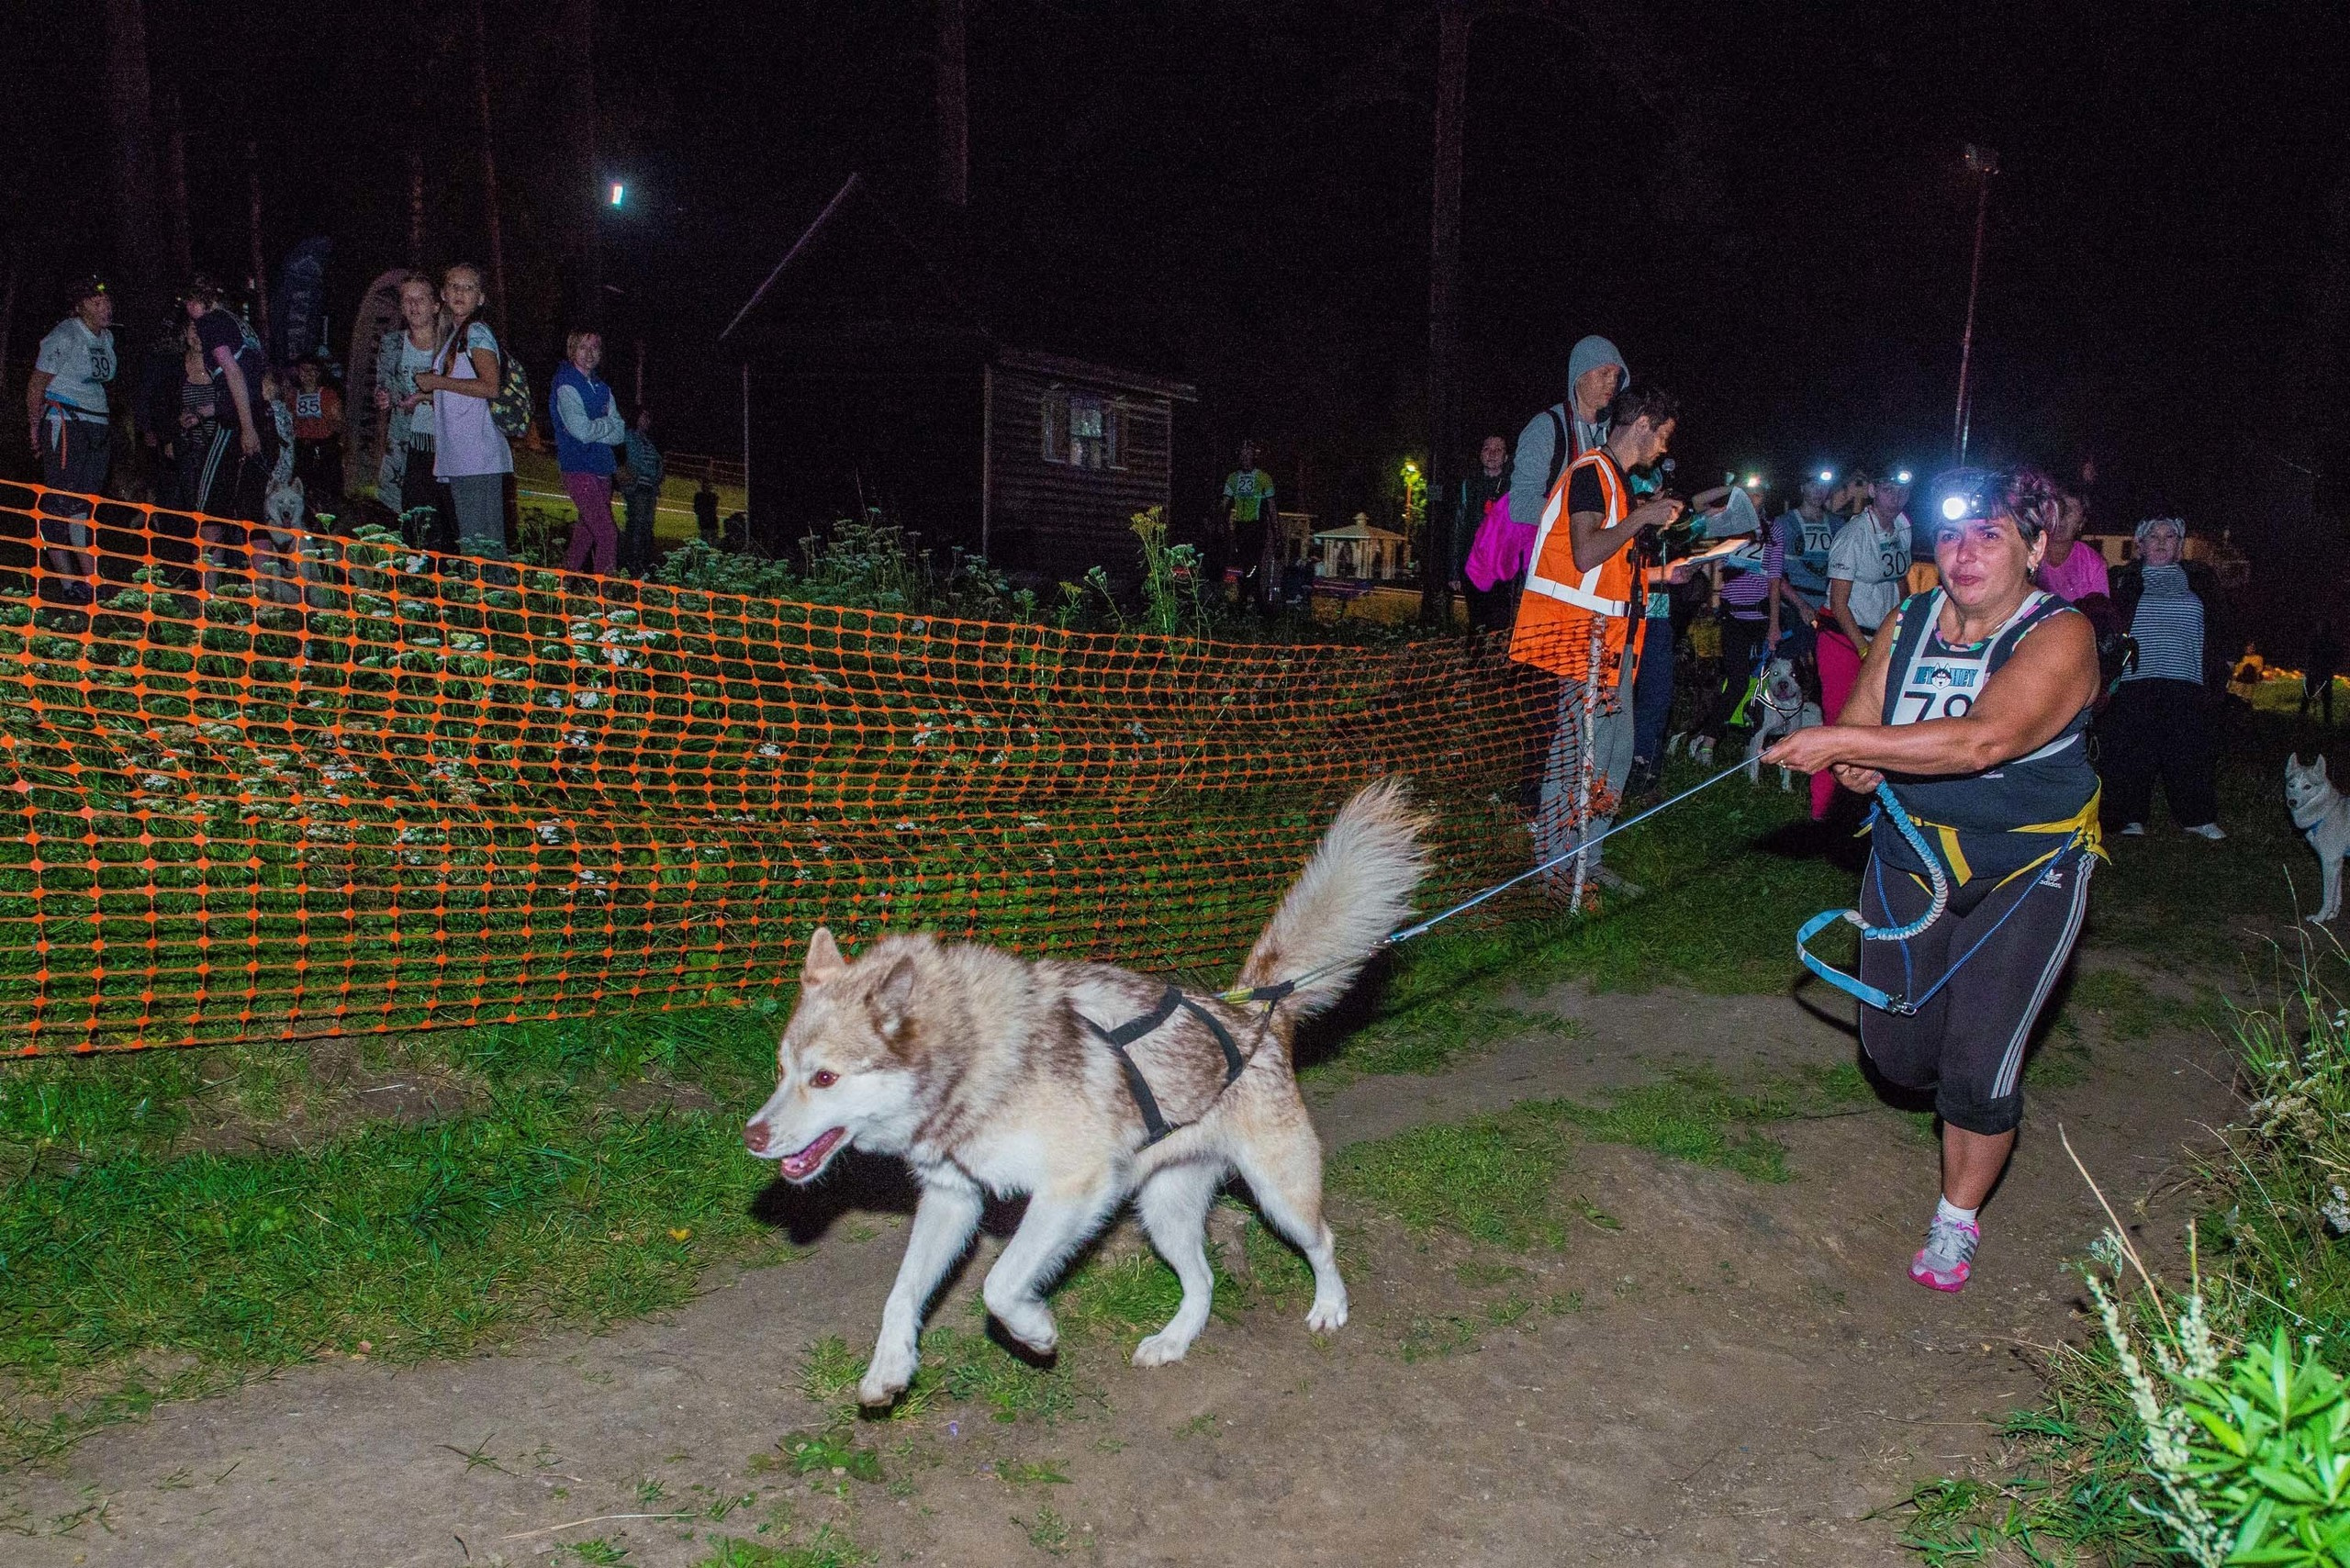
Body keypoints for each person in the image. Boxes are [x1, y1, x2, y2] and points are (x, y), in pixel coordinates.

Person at [1763, 469, 2101, 1294]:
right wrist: (1854, 759)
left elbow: (1984, 740)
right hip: (1912, 856)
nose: (1965, 553)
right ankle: (1947, 1075)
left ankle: (1956, 1217)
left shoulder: (2062, 636)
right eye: (1950, 535)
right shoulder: (1908, 620)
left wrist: (1847, 744)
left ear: (2035, 546)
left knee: (1978, 1066)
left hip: (2028, 869)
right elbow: (1866, 723)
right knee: (1898, 1054)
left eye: (1990, 535)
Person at [1511, 385, 1687, 897]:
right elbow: (1586, 553)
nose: (1665, 448)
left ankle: (1586, 860)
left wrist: (1663, 571)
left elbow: (1608, 572)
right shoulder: (1591, 473)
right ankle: (1552, 871)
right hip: (1581, 643)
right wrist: (1642, 518)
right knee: (1574, 756)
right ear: (1642, 424)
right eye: (1664, 435)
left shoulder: (1617, 481)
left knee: (1612, 757)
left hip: (1612, 645)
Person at [2103, 517, 2227, 840]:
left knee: (2188, 751)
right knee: (2133, 751)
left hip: (2186, 680)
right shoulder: (2122, 580)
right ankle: (2129, 817)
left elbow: (2220, 628)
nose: (2161, 541)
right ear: (2140, 545)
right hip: (2135, 680)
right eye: (2153, 536)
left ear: (2179, 545)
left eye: (2169, 536)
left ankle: (2197, 817)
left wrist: (2220, 669)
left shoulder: (2201, 581)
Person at [1811, 470, 1915, 821]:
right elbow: (1839, 603)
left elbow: (1900, 581)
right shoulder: (1854, 535)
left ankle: (1870, 804)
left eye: (1902, 490)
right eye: (1888, 489)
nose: (1895, 497)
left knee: (1883, 723)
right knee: (1841, 721)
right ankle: (1823, 810)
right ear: (1872, 490)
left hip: (1882, 635)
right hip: (1844, 637)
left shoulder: (1902, 527)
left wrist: (1907, 623)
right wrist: (1864, 649)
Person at [411, 263, 513, 560]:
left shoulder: (476, 332)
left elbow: (490, 386)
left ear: (480, 298)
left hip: (477, 457)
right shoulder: (455, 335)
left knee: (483, 549)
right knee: (475, 546)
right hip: (462, 457)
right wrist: (423, 396)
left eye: (469, 287)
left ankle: (493, 591)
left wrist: (437, 382)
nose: (460, 292)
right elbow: (460, 392)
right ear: (443, 294)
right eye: (454, 286)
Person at [27, 275, 118, 598]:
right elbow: (36, 384)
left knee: (84, 504)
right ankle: (68, 583)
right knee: (60, 501)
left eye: (106, 301)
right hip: (66, 422)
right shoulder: (65, 335)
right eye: (96, 302)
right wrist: (34, 427)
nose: (105, 307)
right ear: (80, 307)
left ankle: (90, 581)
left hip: (97, 425)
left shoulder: (106, 337)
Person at [1506, 335, 1628, 570]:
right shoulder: (1546, 427)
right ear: (1580, 374)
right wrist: (1579, 517)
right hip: (1549, 569)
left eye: (1616, 376)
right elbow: (1520, 504)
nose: (1612, 383)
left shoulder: (1611, 435)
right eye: (1604, 373)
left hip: (1592, 570)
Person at [185, 276, 274, 521]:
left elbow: (233, 372)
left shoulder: (210, 322)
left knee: (209, 509)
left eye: (190, 302)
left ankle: (206, 549)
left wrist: (246, 428)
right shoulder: (240, 325)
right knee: (250, 511)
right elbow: (250, 380)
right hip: (260, 416)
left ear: (202, 300)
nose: (188, 310)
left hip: (237, 423)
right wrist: (207, 411)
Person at [373, 273, 451, 549]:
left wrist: (424, 396)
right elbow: (384, 386)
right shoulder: (391, 343)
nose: (413, 305)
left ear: (436, 305)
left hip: (447, 443)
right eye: (407, 299)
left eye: (420, 299)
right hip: (407, 445)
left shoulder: (452, 344)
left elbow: (464, 390)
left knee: (446, 520)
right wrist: (383, 397)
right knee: (412, 519)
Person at [547, 329, 629, 574]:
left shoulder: (603, 388)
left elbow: (620, 433)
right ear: (572, 350)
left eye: (594, 347)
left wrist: (599, 427)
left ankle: (560, 586)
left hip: (603, 468)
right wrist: (606, 424)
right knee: (608, 533)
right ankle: (605, 592)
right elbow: (581, 431)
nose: (589, 353)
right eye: (583, 347)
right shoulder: (566, 383)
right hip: (578, 467)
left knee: (586, 534)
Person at [1773, 470, 1841, 665]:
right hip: (1793, 607)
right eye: (1813, 485)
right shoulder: (1783, 523)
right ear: (1802, 488)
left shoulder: (1837, 524)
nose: (1819, 490)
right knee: (1791, 665)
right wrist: (1800, 605)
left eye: (1824, 485)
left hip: (1828, 606)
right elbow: (1774, 572)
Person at [1453, 433, 1517, 631]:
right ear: (1481, 454)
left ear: (1506, 457)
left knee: (1498, 624)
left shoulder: (1514, 488)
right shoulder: (1469, 485)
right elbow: (1458, 527)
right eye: (1487, 449)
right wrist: (1454, 570)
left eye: (1498, 450)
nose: (1492, 454)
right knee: (1476, 623)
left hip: (1502, 569)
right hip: (1473, 565)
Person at [2033, 488, 2109, 622]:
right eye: (2057, 509)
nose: (2062, 517)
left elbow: (2100, 614)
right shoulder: (2029, 554)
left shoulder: (2092, 563)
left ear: (2082, 522)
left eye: (2070, 510)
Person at [1219, 441, 1278, 604]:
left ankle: (1248, 599)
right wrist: (1221, 524)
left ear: (1254, 456)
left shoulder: (1263, 478)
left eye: (1248, 454)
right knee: (1244, 564)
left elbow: (1272, 507)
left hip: (1257, 526)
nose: (1245, 458)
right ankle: (1252, 598)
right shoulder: (1233, 478)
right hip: (1240, 526)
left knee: (1254, 563)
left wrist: (1277, 534)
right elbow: (1224, 504)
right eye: (1242, 454)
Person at [290, 355, 344, 521]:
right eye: (304, 370)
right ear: (298, 372)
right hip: (302, 447)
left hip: (325, 447)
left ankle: (329, 521)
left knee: (327, 488)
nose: (308, 374)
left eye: (313, 370)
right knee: (303, 487)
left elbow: (339, 423)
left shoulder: (328, 395)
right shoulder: (292, 396)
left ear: (319, 373)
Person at [621, 406, 665, 574]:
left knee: (647, 525)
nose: (648, 421)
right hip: (638, 488)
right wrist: (652, 473)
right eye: (644, 417)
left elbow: (658, 463)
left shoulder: (648, 442)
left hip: (649, 489)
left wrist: (656, 476)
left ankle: (642, 560)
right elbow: (634, 462)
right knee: (637, 524)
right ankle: (632, 561)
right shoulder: (630, 437)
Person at [2302, 620, 2341, 726]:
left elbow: (2335, 658)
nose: (2321, 629)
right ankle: (2302, 717)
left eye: (2323, 627)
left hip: (2324, 673)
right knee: (2307, 696)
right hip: (2314, 672)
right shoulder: (2314, 641)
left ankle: (2327, 721)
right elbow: (2309, 656)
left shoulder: (2331, 643)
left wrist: (2330, 669)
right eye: (2320, 627)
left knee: (2326, 698)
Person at [693, 477, 721, 544]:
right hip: (707, 520)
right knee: (708, 537)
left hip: (708, 520)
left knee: (709, 537)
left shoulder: (710, 496)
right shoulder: (703, 496)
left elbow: (697, 509)